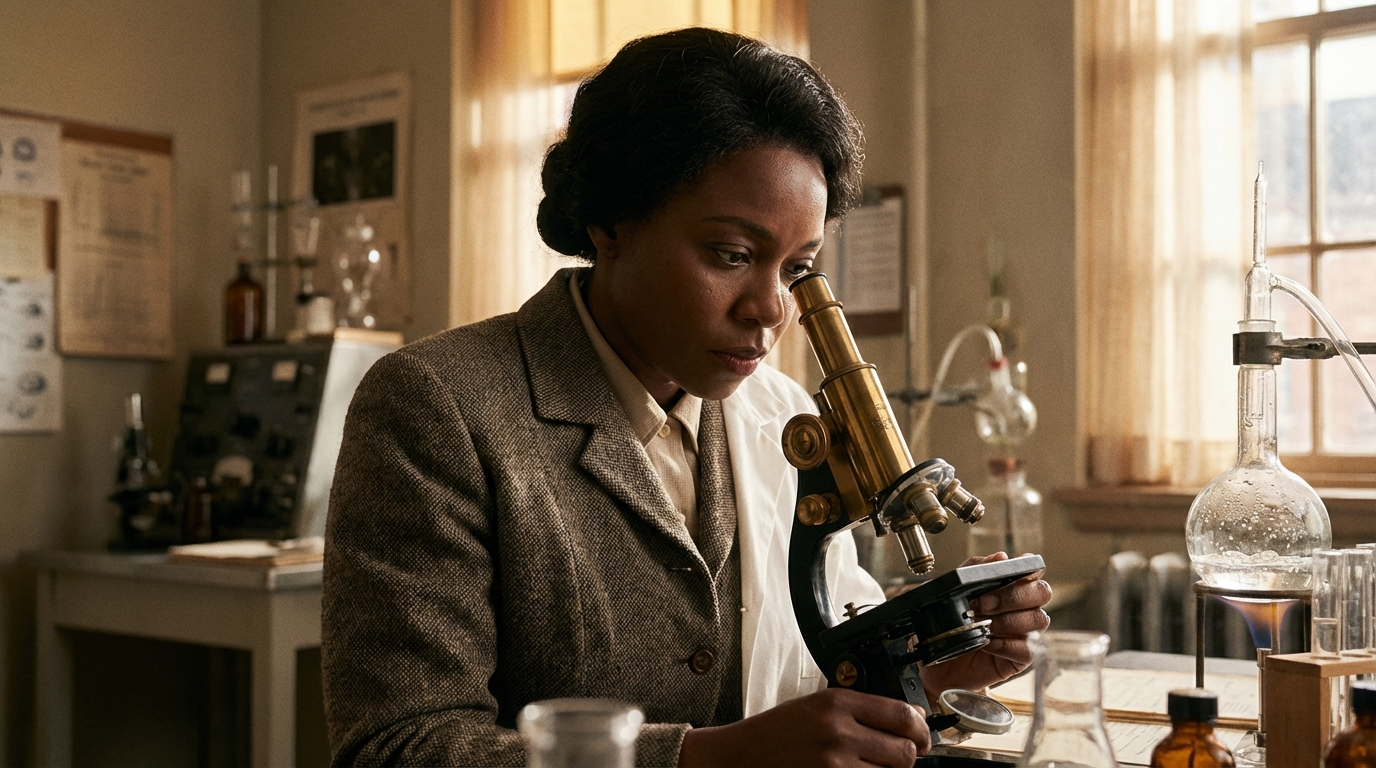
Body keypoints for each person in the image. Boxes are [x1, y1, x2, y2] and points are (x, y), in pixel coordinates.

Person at [322, 27, 1051, 768]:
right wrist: (705, 760)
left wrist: (923, 682)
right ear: (611, 221)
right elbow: (398, 747)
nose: (769, 310)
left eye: (797, 268)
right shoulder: (438, 407)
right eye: (732, 255)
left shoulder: (780, 413)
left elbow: (814, 682)